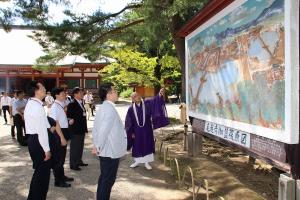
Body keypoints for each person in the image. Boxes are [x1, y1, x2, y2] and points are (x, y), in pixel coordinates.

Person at [92, 82, 127, 200]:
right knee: (107, 180)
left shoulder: (105, 107)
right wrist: (97, 146)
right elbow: (103, 130)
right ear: (108, 94)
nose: (117, 93)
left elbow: (97, 129)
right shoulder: (109, 109)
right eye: (115, 91)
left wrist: (97, 145)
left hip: (107, 150)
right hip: (109, 151)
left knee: (105, 179)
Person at [125, 88, 169, 170]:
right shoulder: (131, 109)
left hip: (147, 129)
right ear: (132, 100)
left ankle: (147, 163)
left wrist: (160, 94)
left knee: (147, 144)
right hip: (137, 131)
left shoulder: (147, 103)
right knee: (137, 146)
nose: (137, 97)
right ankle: (137, 161)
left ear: (140, 96)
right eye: (134, 97)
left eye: (137, 95)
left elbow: (155, 101)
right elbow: (128, 122)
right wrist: (131, 133)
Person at [24, 81, 52, 200]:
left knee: (41, 172)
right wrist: (47, 149)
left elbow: (44, 124)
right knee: (42, 174)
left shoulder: (33, 104)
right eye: (43, 87)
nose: (45, 89)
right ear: (36, 91)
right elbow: (41, 131)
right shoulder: (36, 106)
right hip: (38, 140)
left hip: (34, 139)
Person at [49, 87, 74, 187]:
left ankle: (62, 176)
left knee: (62, 157)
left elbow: (60, 119)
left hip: (63, 131)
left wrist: (67, 120)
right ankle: (58, 181)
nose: (65, 95)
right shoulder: (55, 106)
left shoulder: (60, 105)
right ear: (57, 95)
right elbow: (55, 123)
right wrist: (62, 138)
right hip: (59, 133)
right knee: (59, 158)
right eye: (62, 93)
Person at [67, 87, 88, 170]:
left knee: (80, 146)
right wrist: (70, 120)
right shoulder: (72, 104)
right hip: (75, 129)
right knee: (74, 148)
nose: (82, 94)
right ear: (75, 94)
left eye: (82, 92)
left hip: (81, 128)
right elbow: (69, 116)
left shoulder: (81, 102)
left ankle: (79, 161)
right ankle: (73, 164)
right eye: (80, 93)